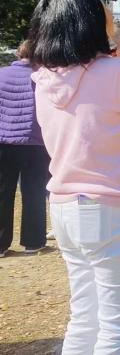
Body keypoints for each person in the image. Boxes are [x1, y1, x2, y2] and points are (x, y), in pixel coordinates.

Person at [28, 0, 120, 354]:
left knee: (85, 318)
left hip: (64, 207)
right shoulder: (114, 73)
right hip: (114, 208)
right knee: (119, 326)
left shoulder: (44, 79)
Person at [0, 40, 51, 257]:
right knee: (34, 193)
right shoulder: (43, 78)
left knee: (3, 193)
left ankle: (1, 245)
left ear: (18, 54)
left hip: (4, 142)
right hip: (35, 142)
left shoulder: (1, 75)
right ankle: (33, 242)